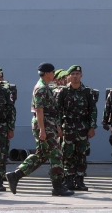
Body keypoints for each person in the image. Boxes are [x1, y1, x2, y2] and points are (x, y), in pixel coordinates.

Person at [5, 63, 73, 197]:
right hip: (44, 124)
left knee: (41, 155)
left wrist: (56, 125)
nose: (54, 74)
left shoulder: (45, 87)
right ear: (47, 73)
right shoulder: (41, 88)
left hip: (48, 122)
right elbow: (39, 110)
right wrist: (42, 130)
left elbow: (50, 111)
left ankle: (16, 175)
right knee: (56, 154)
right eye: (52, 72)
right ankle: (58, 186)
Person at [55, 65, 97, 191]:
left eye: (77, 74)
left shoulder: (87, 92)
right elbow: (57, 110)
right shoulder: (63, 92)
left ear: (81, 76)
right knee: (68, 154)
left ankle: (80, 180)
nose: (74, 76)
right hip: (67, 126)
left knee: (81, 154)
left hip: (83, 127)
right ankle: (69, 180)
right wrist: (58, 127)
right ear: (68, 76)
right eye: (72, 74)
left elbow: (92, 110)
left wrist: (92, 127)